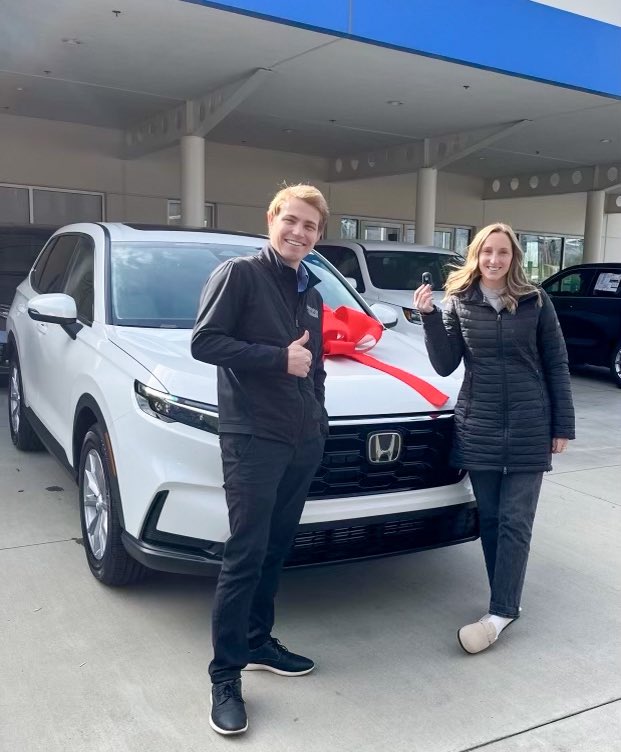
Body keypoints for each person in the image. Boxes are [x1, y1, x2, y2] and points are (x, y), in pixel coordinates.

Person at [191, 184, 329, 735]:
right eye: (291, 221)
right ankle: (225, 675)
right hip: (253, 438)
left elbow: (313, 366)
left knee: (275, 550)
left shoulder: (312, 291)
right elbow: (205, 342)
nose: (299, 233)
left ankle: (257, 644)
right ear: (271, 219)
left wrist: (319, 419)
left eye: (310, 227)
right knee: (245, 555)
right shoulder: (239, 275)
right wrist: (278, 359)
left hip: (300, 439)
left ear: (319, 236)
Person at [413, 222, 575, 655]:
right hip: (479, 423)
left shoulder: (535, 301)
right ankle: (501, 599)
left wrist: (562, 425)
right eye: (487, 252)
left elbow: (557, 363)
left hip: (529, 423)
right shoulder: (459, 302)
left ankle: (502, 609)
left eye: (503, 252)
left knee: (514, 521)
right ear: (476, 256)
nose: (495, 260)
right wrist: (429, 317)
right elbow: (445, 364)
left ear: (514, 258)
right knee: (489, 519)